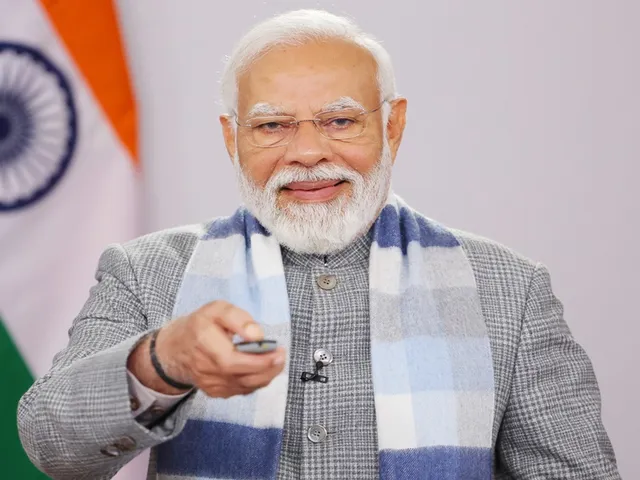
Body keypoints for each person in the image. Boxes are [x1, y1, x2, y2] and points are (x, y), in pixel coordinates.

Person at [18, 9, 620, 480]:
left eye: (340, 120)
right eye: (271, 125)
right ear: (232, 138)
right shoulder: (147, 271)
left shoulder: (510, 289)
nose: (306, 152)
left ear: (392, 126)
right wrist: (164, 361)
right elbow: (52, 445)